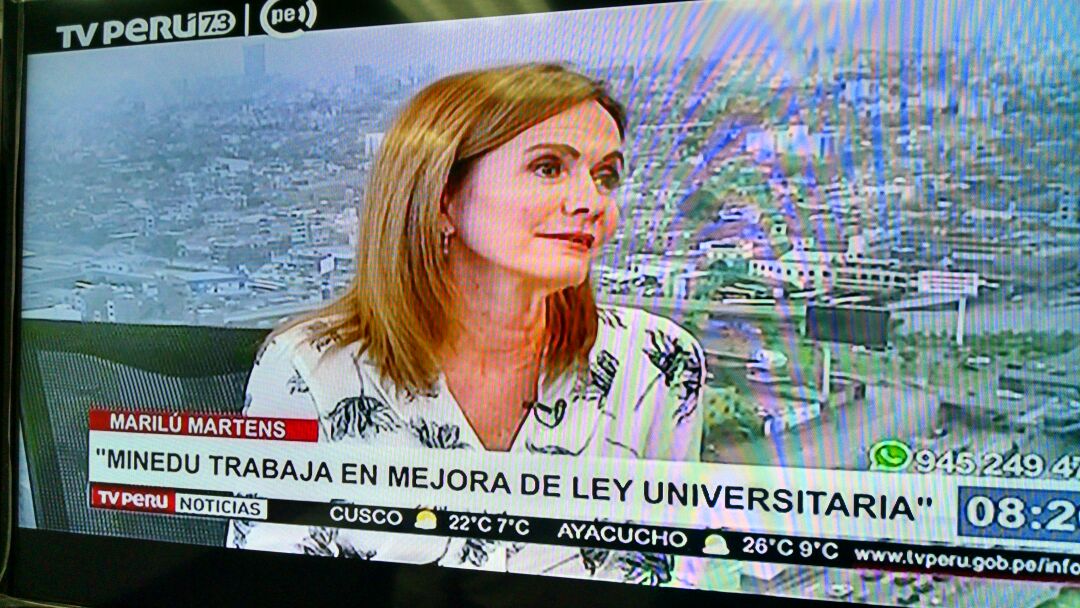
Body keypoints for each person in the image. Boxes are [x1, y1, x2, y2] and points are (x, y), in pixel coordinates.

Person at [227, 63, 738, 590]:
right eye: (548, 168)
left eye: (605, 176)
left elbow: (681, 566)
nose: (591, 202)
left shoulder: (657, 360)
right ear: (442, 199)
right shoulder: (312, 368)